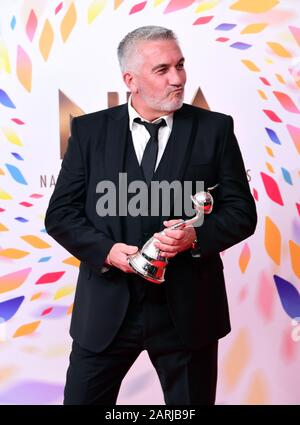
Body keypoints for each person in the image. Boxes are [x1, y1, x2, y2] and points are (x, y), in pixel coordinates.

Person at [45, 25, 257, 405]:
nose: (177, 79)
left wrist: (196, 238)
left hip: (189, 315)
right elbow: (60, 214)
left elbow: (242, 212)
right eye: (162, 70)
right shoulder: (89, 131)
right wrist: (110, 252)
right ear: (130, 79)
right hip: (106, 313)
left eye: (180, 65)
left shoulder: (216, 129)